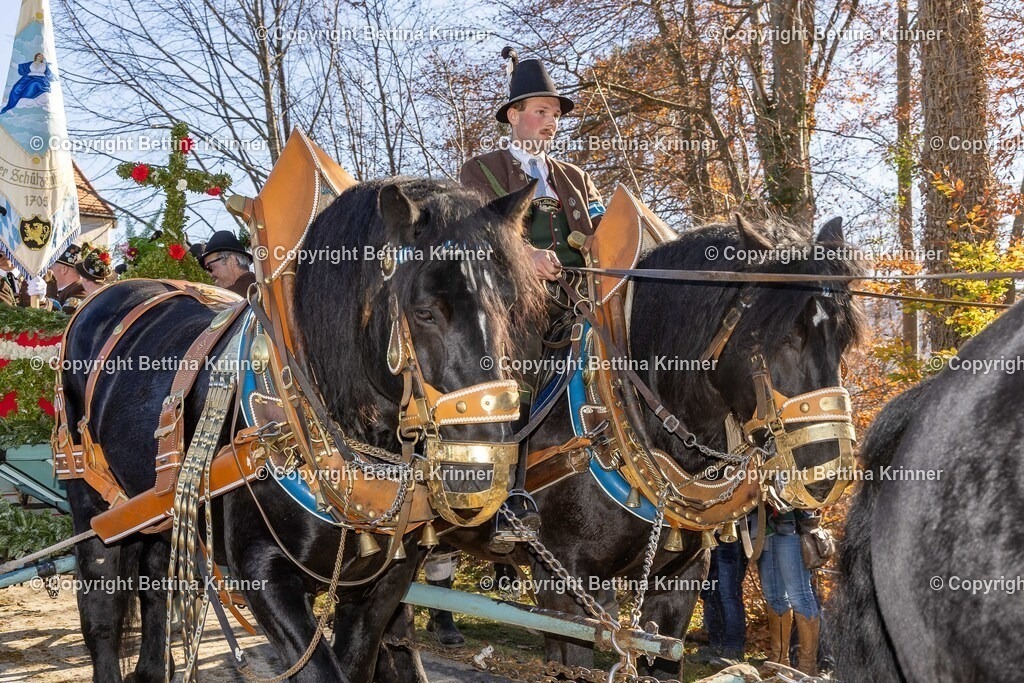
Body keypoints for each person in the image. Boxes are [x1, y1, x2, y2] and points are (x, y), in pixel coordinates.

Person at [458, 48, 605, 553]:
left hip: (578, 305)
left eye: (556, 114)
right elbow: (477, 235)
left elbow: (599, 238)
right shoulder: (480, 171)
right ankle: (509, 499)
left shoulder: (575, 179)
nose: (551, 122)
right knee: (515, 384)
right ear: (514, 114)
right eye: (541, 112)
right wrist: (525, 256)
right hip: (513, 307)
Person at [755, 506, 823, 676]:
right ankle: (779, 661)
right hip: (765, 528)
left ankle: (808, 667)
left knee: (800, 596)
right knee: (774, 597)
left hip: (793, 529)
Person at [696, 536, 748, 667]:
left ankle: (734, 649)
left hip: (731, 533)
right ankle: (716, 645)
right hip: (708, 532)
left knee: (729, 593)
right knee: (709, 593)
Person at [201, 231, 256, 297]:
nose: (209, 275)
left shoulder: (230, 297)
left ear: (231, 261)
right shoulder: (254, 284)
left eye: (209, 267)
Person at [49, 245, 86, 313]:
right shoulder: (67, 290)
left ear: (64, 269)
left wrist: (50, 296)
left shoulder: (80, 289)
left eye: (50, 268)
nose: (48, 272)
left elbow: (62, 318)